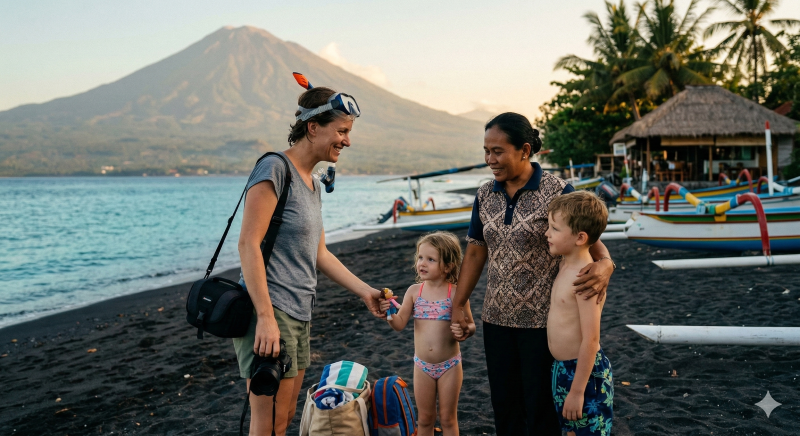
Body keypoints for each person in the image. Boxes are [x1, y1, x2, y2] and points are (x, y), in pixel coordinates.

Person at [234, 74, 384, 436]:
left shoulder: (313, 183)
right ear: (313, 128)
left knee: (283, 420)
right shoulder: (274, 169)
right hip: (271, 311)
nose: (347, 141)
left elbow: (320, 253)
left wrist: (366, 292)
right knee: (266, 422)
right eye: (342, 131)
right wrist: (266, 318)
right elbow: (247, 244)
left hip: (300, 312)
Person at [450, 112, 616, 435]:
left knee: (540, 411)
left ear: (524, 150)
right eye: (486, 151)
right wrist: (459, 303)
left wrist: (607, 264)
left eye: (497, 151)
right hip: (495, 319)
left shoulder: (557, 189)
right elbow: (474, 250)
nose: (489, 159)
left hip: (542, 323)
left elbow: (591, 240)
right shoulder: (485, 194)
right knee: (505, 408)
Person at [380, 232, 476, 436]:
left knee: (448, 419)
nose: (422, 263)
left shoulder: (456, 293)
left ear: (448, 266)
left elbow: (471, 324)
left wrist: (466, 330)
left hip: (450, 365)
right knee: (424, 420)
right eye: (420, 257)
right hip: (422, 366)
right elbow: (399, 324)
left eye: (431, 259)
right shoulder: (414, 292)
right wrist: (388, 313)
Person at [546, 191, 613, 436]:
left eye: (554, 228)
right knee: (571, 431)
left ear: (580, 237)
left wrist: (577, 391)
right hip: (562, 369)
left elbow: (591, 340)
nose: (547, 234)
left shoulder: (586, 279)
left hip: (584, 373)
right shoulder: (565, 264)